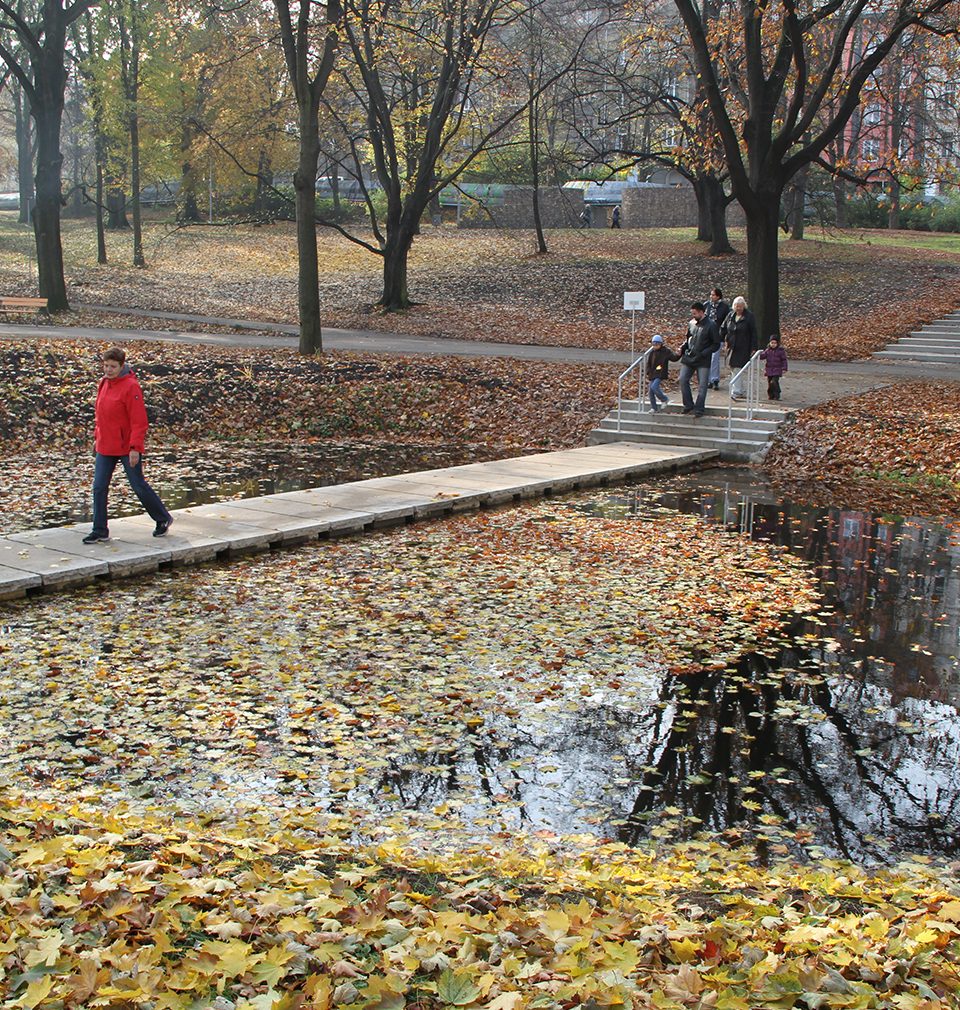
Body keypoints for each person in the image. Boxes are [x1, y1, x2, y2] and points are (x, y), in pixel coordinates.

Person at [83, 347, 173, 544]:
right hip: (105, 446)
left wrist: (135, 448)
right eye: (106, 366)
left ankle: (162, 518)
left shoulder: (131, 386)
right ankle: (99, 530)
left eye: (113, 367)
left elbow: (139, 421)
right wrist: (97, 439)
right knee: (99, 487)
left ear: (122, 366)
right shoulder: (103, 383)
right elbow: (101, 417)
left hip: (126, 447)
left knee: (138, 485)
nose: (108, 370)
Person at [678, 301, 721, 417]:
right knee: (682, 379)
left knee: (702, 385)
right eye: (692, 314)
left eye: (695, 313)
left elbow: (716, 344)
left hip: (703, 359)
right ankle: (688, 404)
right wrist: (683, 347)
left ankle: (699, 408)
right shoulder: (691, 323)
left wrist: (705, 352)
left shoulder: (711, 325)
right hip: (690, 356)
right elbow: (688, 339)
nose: (693, 316)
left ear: (702, 312)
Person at [722, 296, 759, 400]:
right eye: (737, 306)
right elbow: (723, 328)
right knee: (733, 368)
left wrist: (753, 347)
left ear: (744, 306)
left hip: (743, 346)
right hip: (731, 346)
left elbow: (753, 333)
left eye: (741, 307)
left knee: (737, 368)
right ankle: (740, 390)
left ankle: (736, 391)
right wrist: (725, 339)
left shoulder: (749, 316)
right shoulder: (730, 315)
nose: (738, 309)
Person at [646, 334, 680, 412]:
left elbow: (673, 358)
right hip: (653, 373)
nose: (655, 346)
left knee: (654, 387)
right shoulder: (652, 352)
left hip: (660, 373)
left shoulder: (665, 351)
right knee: (650, 391)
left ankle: (664, 399)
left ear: (661, 344)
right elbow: (649, 363)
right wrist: (648, 371)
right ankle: (653, 408)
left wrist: (679, 354)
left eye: (657, 344)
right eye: (653, 344)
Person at [704, 287, 730, 389]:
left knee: (715, 358)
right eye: (711, 295)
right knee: (707, 357)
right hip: (706, 336)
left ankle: (714, 379)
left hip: (718, 336)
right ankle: (708, 379)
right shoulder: (707, 305)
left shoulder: (724, 307)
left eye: (713, 295)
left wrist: (725, 336)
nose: (711, 297)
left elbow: (726, 322)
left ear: (718, 296)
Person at [759, 335, 788, 400]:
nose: (773, 344)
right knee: (770, 383)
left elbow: (784, 360)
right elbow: (762, 356)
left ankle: (777, 394)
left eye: (775, 343)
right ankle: (771, 395)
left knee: (774, 382)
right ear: (769, 343)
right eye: (772, 343)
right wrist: (758, 354)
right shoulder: (768, 351)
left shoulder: (780, 351)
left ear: (777, 344)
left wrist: (784, 368)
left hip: (777, 369)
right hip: (769, 370)